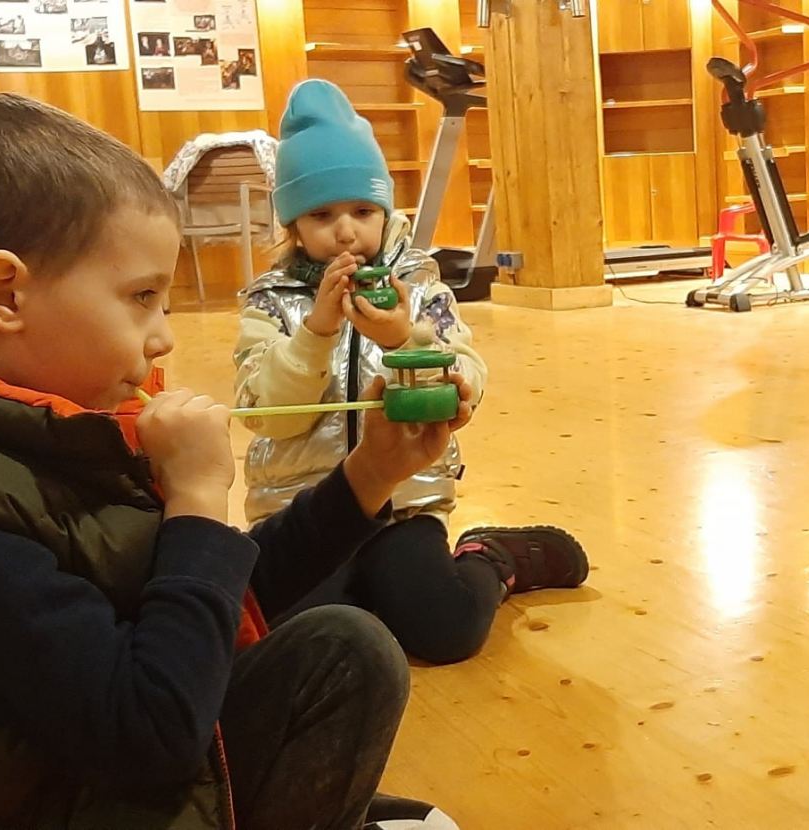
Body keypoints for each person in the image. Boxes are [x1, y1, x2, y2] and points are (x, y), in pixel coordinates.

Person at [0, 92, 463, 830]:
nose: (163, 337)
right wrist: (195, 505)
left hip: (66, 770)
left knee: (337, 657)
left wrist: (371, 473)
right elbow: (151, 733)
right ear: (5, 295)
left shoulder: (24, 433)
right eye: (141, 297)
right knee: (347, 655)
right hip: (62, 785)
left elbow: (211, 607)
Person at [237, 79, 589, 665]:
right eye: (321, 214)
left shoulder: (420, 286)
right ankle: (368, 593)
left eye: (362, 211)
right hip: (303, 513)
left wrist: (405, 340)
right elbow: (265, 415)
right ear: (292, 225)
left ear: (384, 211)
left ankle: (489, 556)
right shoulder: (270, 302)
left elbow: (466, 371)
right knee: (296, 635)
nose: (345, 230)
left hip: (406, 507)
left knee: (447, 629)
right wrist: (316, 332)